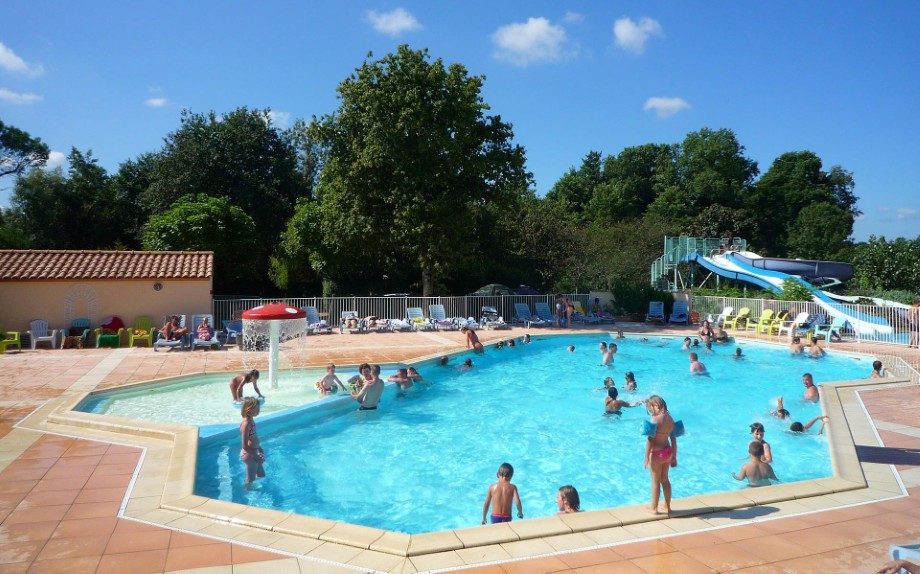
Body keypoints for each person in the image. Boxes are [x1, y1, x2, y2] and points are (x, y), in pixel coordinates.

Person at [643, 395, 677, 515]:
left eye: (651, 409)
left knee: (655, 481)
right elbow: (673, 439)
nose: (651, 413)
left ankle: (654, 508)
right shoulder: (671, 419)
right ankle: (667, 506)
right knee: (665, 479)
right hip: (668, 452)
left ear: (656, 405)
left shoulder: (655, 420)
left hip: (657, 454)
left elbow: (650, 440)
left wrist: (646, 456)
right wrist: (674, 456)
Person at [239, 397, 265, 489]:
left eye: (259, 408)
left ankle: (250, 487)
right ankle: (246, 491)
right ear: (248, 409)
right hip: (249, 454)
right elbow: (244, 445)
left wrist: (259, 447)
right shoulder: (246, 423)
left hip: (254, 451)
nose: (258, 411)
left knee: (261, 475)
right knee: (250, 480)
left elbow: (253, 436)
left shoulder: (251, 420)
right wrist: (255, 455)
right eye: (256, 409)